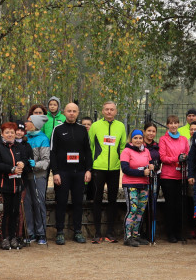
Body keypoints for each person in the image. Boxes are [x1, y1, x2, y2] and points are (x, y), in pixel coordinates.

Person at [50, 102, 93, 244]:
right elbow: (53, 152)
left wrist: (88, 170)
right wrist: (55, 172)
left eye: (74, 111)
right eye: (69, 111)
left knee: (78, 203)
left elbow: (88, 151)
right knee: (61, 202)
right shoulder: (57, 129)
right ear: (64, 112)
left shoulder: (82, 130)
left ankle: (78, 231)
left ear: (78, 113)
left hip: (80, 173)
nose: (71, 113)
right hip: (62, 173)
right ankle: (60, 232)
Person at [89, 101, 127, 242]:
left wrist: (122, 163)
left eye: (112, 109)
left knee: (113, 200)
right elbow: (90, 146)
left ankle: (110, 232)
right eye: (107, 109)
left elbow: (123, 146)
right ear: (102, 111)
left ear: (116, 112)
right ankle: (97, 233)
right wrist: (91, 165)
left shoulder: (121, 126)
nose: (109, 112)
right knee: (97, 200)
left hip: (115, 169)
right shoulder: (95, 126)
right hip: (98, 168)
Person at [0, 122, 28, 250]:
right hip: (3, 186)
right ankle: (3, 238)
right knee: (3, 213)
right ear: (2, 134)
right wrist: (11, 169)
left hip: (17, 186)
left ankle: (14, 237)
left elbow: (25, 160)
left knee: (15, 213)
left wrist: (23, 164)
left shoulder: (19, 146)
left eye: (12, 132)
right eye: (7, 132)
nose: (10, 134)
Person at [158, 115, 190, 244]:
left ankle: (179, 232)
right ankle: (170, 233)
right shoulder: (163, 139)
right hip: (168, 176)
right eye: (170, 123)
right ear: (167, 125)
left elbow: (187, 153)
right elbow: (163, 157)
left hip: (181, 175)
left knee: (180, 206)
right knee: (170, 205)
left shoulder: (183, 139)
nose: (173, 125)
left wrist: (184, 157)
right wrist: (177, 158)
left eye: (175, 123)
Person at [119, 129, 154, 247]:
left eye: (140, 138)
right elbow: (125, 169)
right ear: (131, 139)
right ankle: (127, 237)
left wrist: (152, 166)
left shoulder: (146, 151)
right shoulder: (126, 151)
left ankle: (136, 235)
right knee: (132, 210)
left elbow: (149, 165)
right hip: (131, 184)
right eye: (135, 138)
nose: (138, 140)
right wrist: (141, 173)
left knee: (140, 211)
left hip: (144, 184)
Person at [24, 115, 52, 245]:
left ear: (34, 124)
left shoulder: (43, 139)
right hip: (26, 177)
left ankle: (41, 233)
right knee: (27, 205)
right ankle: (30, 233)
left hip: (38, 176)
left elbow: (46, 161)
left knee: (39, 203)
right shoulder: (25, 137)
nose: (26, 123)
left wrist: (35, 164)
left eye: (28, 121)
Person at [140, 122, 162, 242]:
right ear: (144, 131)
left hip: (154, 178)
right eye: (149, 131)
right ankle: (139, 232)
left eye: (153, 131)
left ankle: (149, 233)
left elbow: (160, 160)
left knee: (151, 205)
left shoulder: (157, 146)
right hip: (141, 178)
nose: (151, 133)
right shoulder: (139, 144)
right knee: (141, 205)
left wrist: (156, 166)